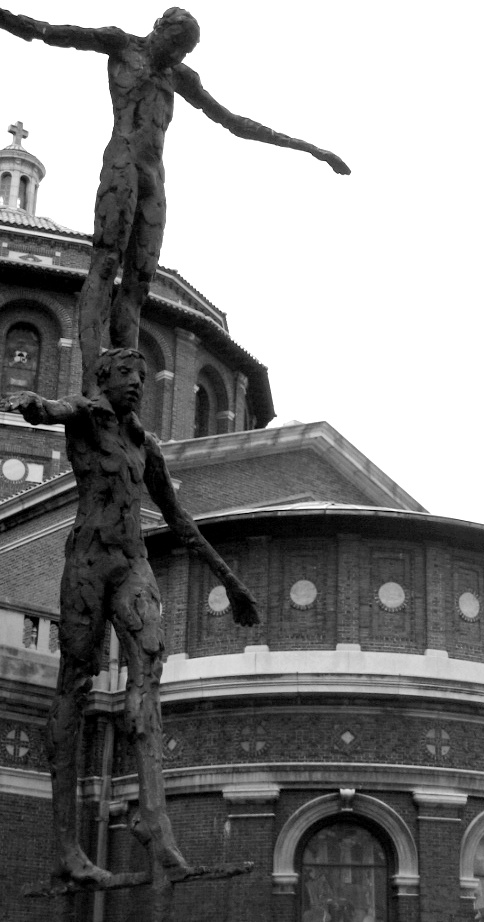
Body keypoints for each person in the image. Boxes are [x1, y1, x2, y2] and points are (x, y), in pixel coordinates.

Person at [0, 348, 259, 885]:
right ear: (103, 379)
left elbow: (179, 519)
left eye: (143, 375)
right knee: (73, 686)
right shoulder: (85, 417)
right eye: (125, 374)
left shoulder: (147, 446)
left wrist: (230, 582)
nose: (137, 382)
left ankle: (155, 823)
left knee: (149, 671)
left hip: (132, 563)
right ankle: (68, 850)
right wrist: (31, 404)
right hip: (89, 561)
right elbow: (52, 408)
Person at [0, 7, 351, 395]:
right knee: (106, 263)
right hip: (122, 164)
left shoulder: (180, 76)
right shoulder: (120, 44)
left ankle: (122, 388)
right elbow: (45, 31)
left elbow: (234, 122)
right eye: (176, 44)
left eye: (185, 50)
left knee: (139, 282)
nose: (178, 54)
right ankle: (90, 385)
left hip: (154, 178)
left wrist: (312, 149)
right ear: (159, 29)